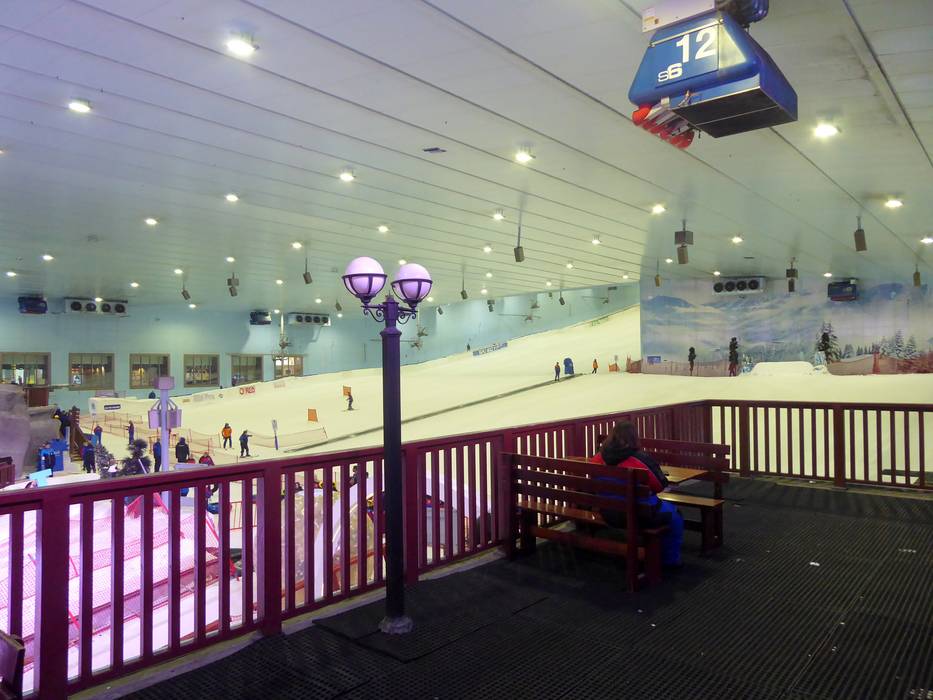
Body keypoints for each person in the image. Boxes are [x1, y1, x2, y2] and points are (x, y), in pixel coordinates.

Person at [588, 421, 683, 567]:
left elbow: (594, 482)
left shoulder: (598, 458)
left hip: (608, 513)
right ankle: (669, 561)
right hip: (639, 515)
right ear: (634, 438)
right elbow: (659, 486)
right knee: (675, 515)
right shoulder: (639, 460)